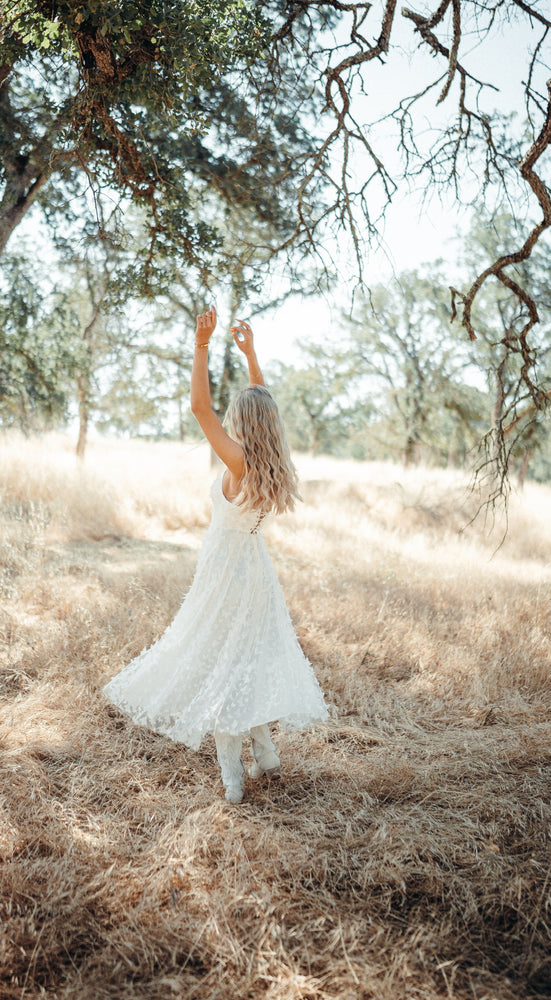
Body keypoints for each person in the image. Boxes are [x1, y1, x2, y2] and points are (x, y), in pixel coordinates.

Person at [103, 306, 328, 803]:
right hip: (257, 570)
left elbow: (199, 410)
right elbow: (264, 405)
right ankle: (265, 752)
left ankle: (233, 777)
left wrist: (202, 344)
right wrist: (251, 357)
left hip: (225, 571)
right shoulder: (275, 464)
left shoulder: (238, 460)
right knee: (251, 657)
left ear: (242, 422)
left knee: (222, 663)